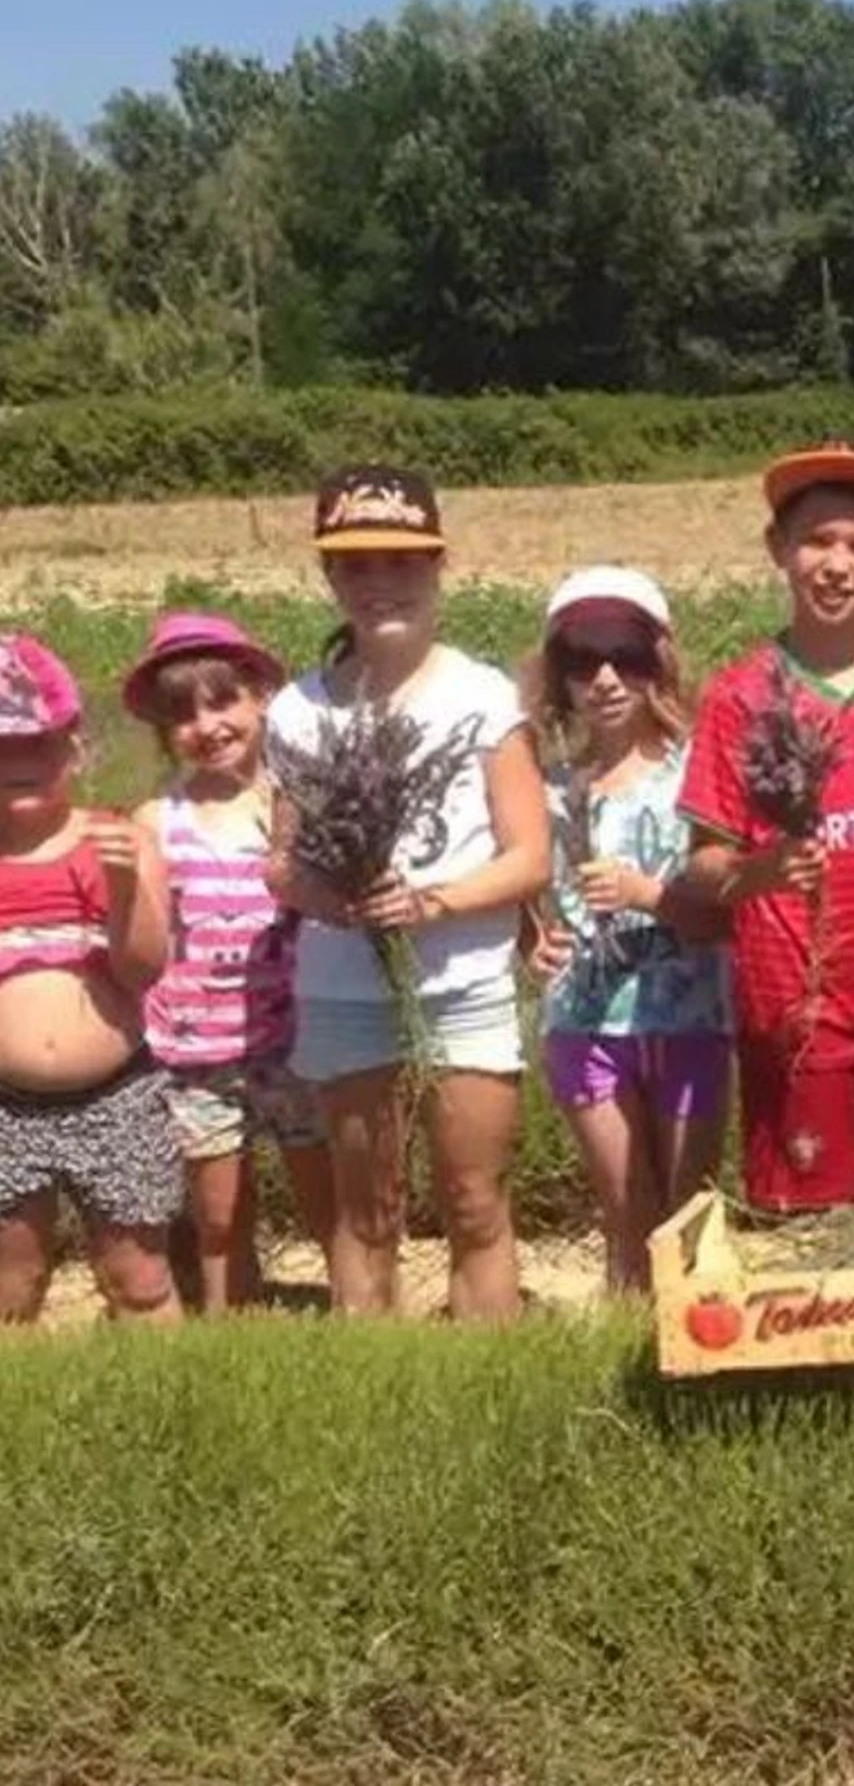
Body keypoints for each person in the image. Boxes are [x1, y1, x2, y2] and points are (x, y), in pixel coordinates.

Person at [265, 465, 550, 1321]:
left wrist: (433, 902)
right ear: (329, 576)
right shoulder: (298, 709)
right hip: (345, 989)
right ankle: (372, 1370)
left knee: (474, 1200)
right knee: (369, 1210)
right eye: (356, 565)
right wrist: (334, 898)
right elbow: (281, 863)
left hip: (462, 985)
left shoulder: (483, 697)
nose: (379, 581)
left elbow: (531, 856)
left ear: (437, 565)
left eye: (401, 560)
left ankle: (487, 1370)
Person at [678, 445, 854, 1212]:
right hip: (797, 1018)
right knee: (811, 1231)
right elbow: (702, 864)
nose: (836, 565)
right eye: (817, 541)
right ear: (779, 548)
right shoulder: (741, 696)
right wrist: (761, 872)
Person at [523, 568, 732, 1292]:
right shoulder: (551, 787)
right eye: (583, 662)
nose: (606, 680)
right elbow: (527, 893)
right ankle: (628, 1329)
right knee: (626, 1207)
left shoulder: (697, 775)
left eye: (627, 657)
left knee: (688, 1208)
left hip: (689, 1019)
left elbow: (725, 917)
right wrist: (533, 941)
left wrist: (648, 895)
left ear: (658, 663)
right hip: (584, 1022)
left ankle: (692, 1337)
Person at [124, 612, 334, 1312]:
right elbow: (146, 935)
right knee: (218, 1220)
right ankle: (229, 1330)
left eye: (222, 702)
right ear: (164, 729)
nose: (207, 726)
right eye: (183, 715)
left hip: (300, 1043)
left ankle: (362, 1316)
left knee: (328, 1199)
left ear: (260, 697)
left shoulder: (296, 805)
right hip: (197, 1051)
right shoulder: (157, 820)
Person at [0, 634, 179, 1324]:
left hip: (117, 1093)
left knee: (138, 1277)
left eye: (36, 743)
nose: (18, 762)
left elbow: (141, 971)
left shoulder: (119, 839)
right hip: (6, 1104)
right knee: (12, 1280)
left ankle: (177, 1391)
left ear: (74, 748)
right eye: (2, 746)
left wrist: (124, 885)